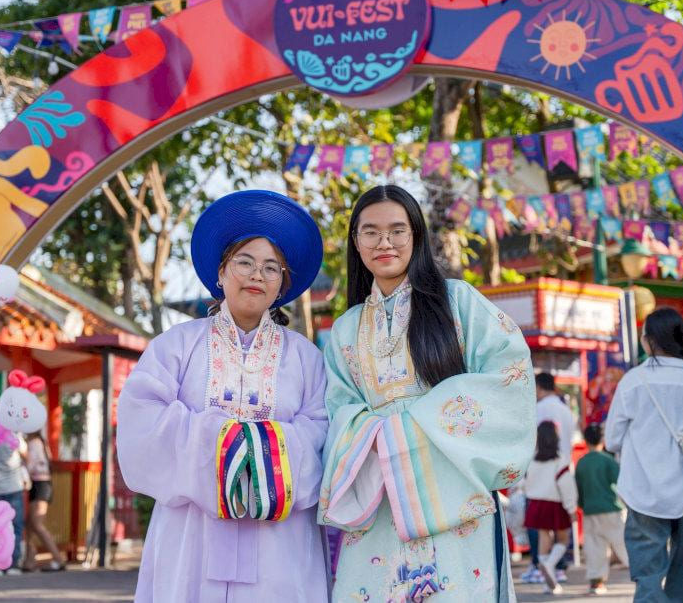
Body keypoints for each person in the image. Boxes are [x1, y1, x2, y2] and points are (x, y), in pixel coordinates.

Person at [318, 185, 536, 602]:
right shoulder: (344, 328)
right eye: (370, 232)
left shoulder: (457, 301)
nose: (385, 242)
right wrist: (378, 437)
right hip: (380, 495)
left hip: (453, 495)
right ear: (355, 242)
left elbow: (509, 373)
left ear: (416, 236)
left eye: (397, 230)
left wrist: (412, 426)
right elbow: (338, 410)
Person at [116, 190, 329, 602]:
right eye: (245, 262)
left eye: (271, 268)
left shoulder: (306, 357)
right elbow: (142, 417)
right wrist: (230, 445)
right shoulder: (177, 344)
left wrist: (259, 453)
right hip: (192, 530)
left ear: (283, 284)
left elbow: (322, 430)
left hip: (279, 536)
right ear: (221, 272)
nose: (257, 275)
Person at [605, 307, 683, 602]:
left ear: (647, 341)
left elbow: (611, 441)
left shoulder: (632, 382)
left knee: (647, 576)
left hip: (642, 490)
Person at [524, 371, 577, 585]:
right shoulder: (566, 411)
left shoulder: (538, 410)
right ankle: (559, 566)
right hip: (562, 470)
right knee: (561, 530)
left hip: (539, 472)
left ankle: (539, 565)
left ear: (538, 387)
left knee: (540, 529)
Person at [575, 422, 628, 596]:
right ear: (603, 439)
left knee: (594, 548)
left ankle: (596, 582)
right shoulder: (608, 460)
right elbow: (622, 483)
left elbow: (579, 489)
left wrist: (582, 505)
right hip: (612, 508)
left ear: (585, 440)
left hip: (590, 510)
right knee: (624, 544)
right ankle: (643, 573)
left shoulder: (581, 463)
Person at [0, 433, 29, 575]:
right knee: (15, 527)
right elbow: (25, 455)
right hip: (14, 486)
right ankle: (13, 565)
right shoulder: (14, 435)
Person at [23, 431, 66, 572]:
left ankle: (58, 558)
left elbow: (32, 465)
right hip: (39, 484)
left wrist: (21, 460)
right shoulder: (39, 442)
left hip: (40, 484)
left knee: (37, 525)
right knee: (29, 525)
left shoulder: (34, 443)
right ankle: (29, 560)